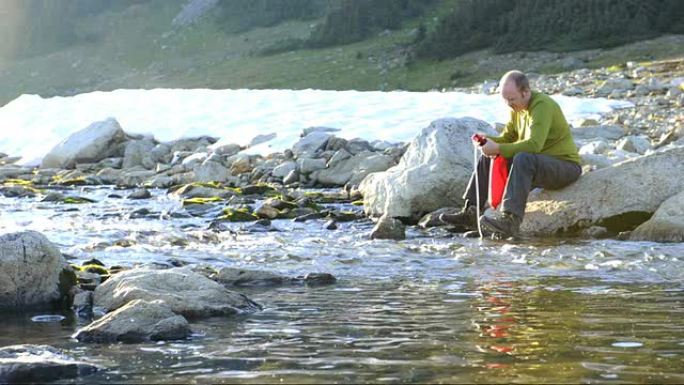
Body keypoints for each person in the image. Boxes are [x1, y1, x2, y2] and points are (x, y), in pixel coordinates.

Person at [440, 70, 582, 237]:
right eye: (505, 100)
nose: (509, 104)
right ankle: (471, 211)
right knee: (489, 156)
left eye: (512, 99)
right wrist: (487, 141)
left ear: (526, 92)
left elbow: (534, 145)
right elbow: (508, 137)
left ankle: (510, 220)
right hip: (541, 165)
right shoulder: (517, 107)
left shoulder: (542, 106)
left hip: (565, 167)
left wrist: (498, 148)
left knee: (523, 157)